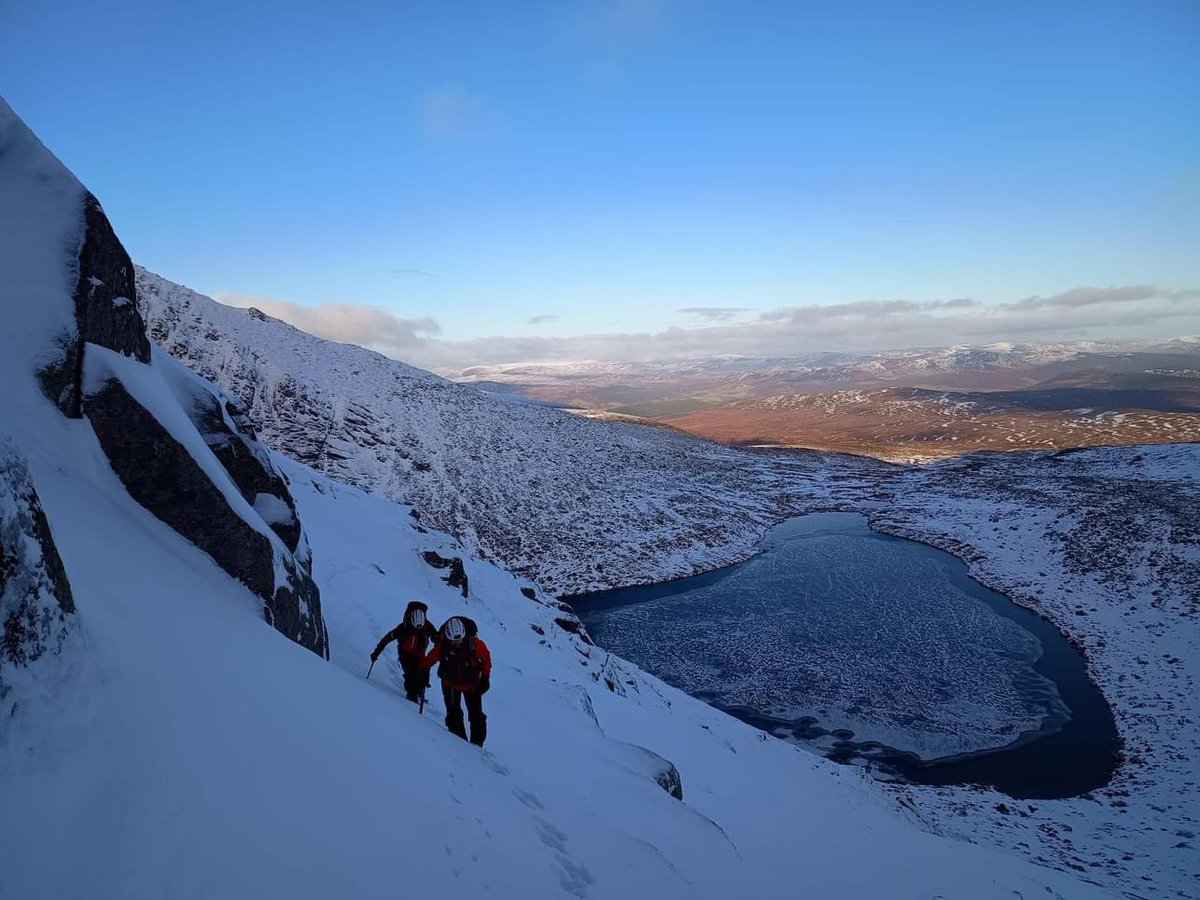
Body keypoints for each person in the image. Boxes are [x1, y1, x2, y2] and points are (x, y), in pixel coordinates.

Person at [421, 616, 491, 747]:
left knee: (477, 717)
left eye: (458, 640)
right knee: (454, 716)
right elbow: (428, 660)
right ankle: (459, 745)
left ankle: (476, 746)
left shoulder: (475, 644)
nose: (456, 643)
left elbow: (486, 660)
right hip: (450, 685)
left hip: (472, 685)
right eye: (453, 641)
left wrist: (485, 678)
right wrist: (422, 672)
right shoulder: (442, 646)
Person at [370, 601, 438, 703]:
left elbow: (436, 638)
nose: (417, 629)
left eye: (419, 627)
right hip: (405, 654)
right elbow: (387, 639)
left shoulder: (427, 626)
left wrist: (439, 644)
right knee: (411, 675)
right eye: (415, 627)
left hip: (420, 655)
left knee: (422, 675)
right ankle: (411, 697)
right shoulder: (403, 628)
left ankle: (419, 691)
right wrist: (376, 653)